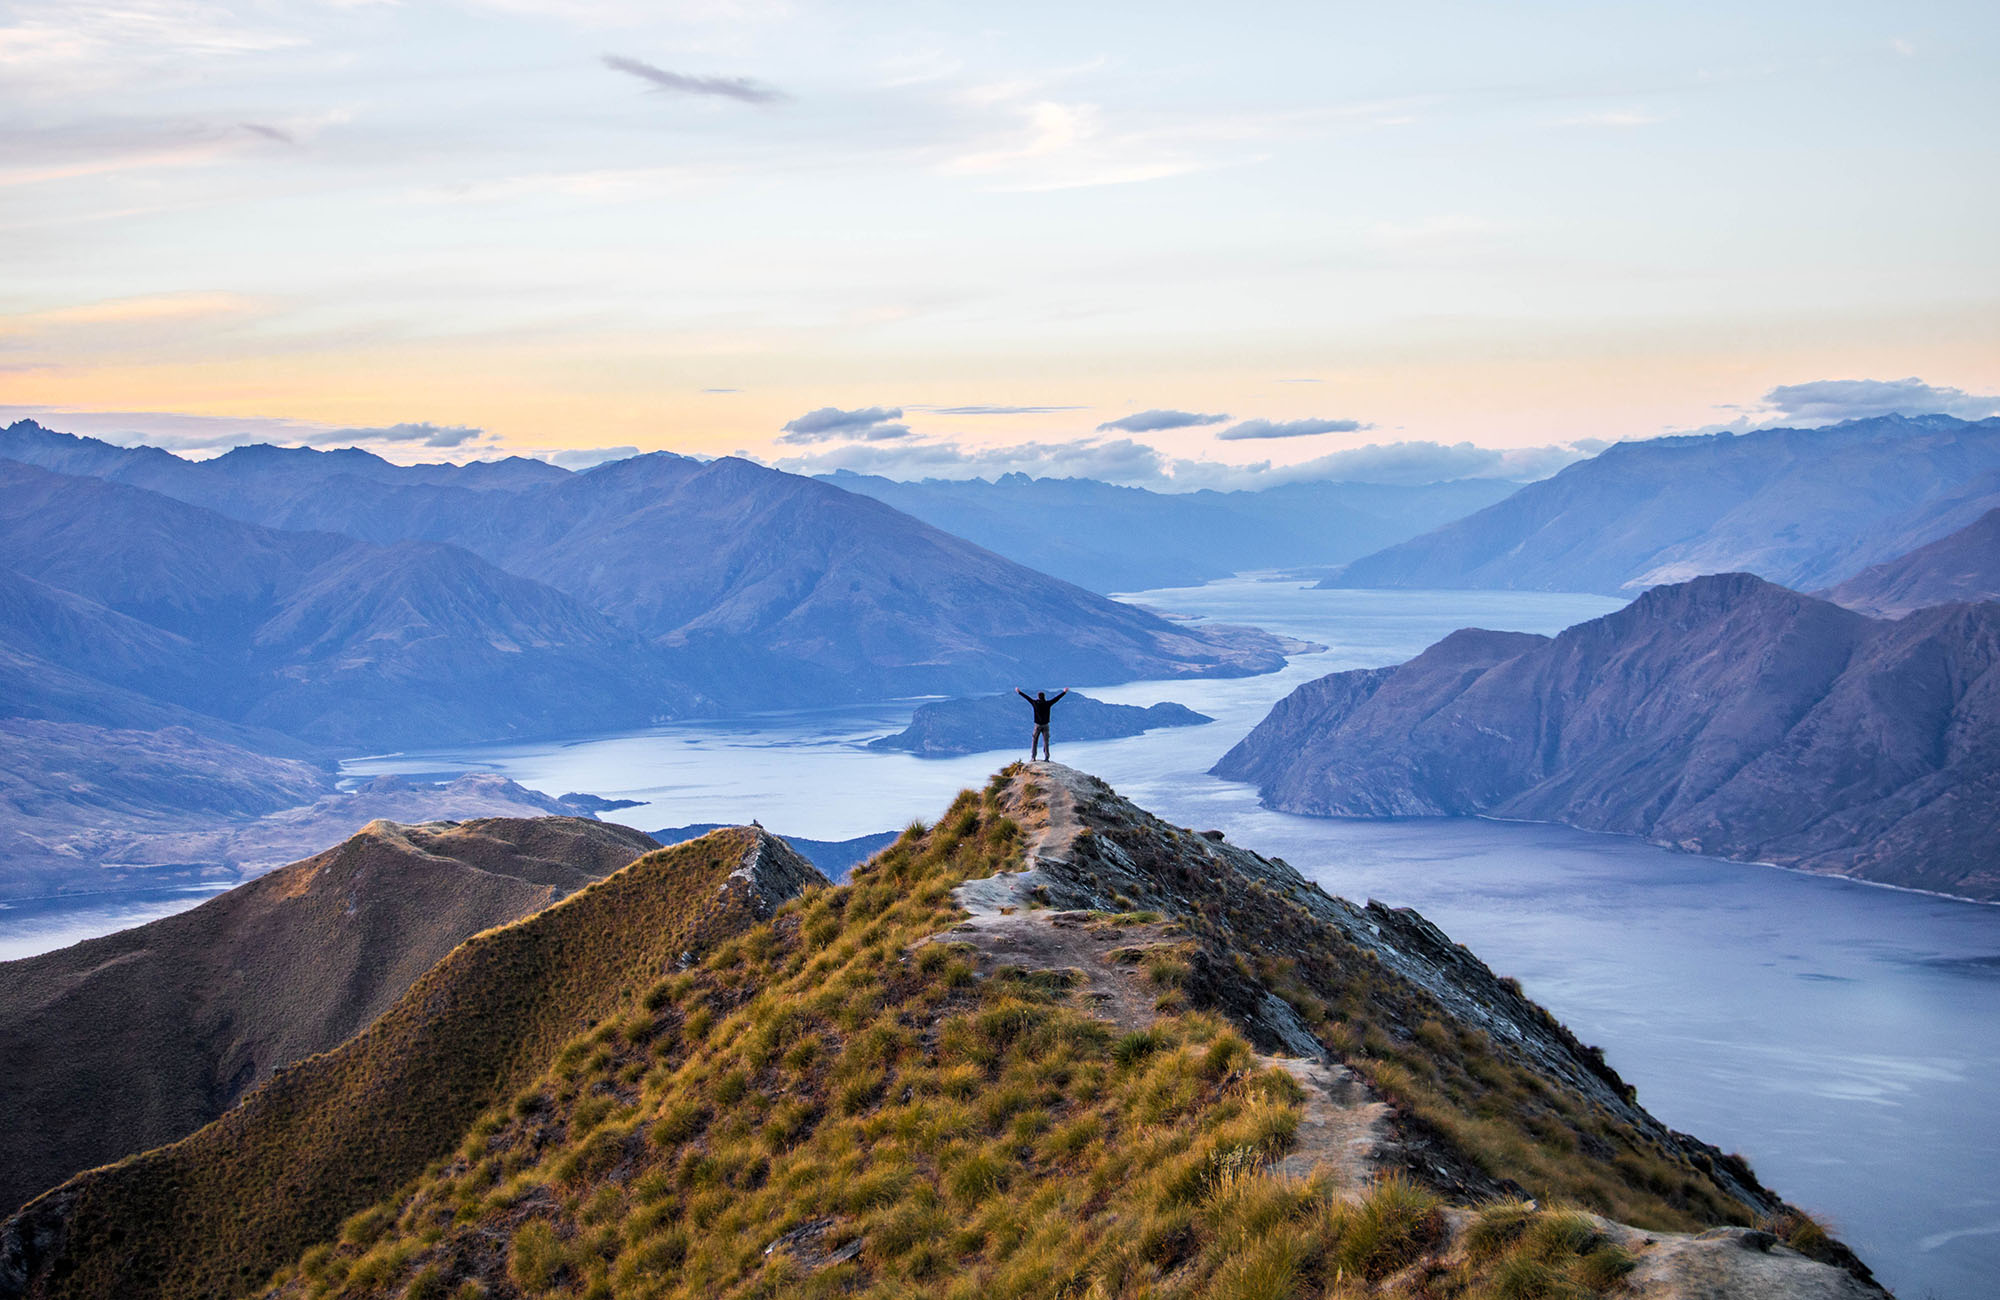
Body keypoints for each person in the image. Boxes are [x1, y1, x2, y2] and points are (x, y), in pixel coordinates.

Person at [1016, 687, 1068, 761]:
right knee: (1046, 741)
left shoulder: (1035, 703)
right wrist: (1064, 692)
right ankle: (1046, 757)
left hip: (1037, 725)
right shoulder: (1048, 704)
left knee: (1034, 741)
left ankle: (1033, 757)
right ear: (1044, 697)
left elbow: (1027, 698)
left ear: (1038, 697)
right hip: (1046, 725)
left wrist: (1019, 692)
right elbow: (1056, 699)